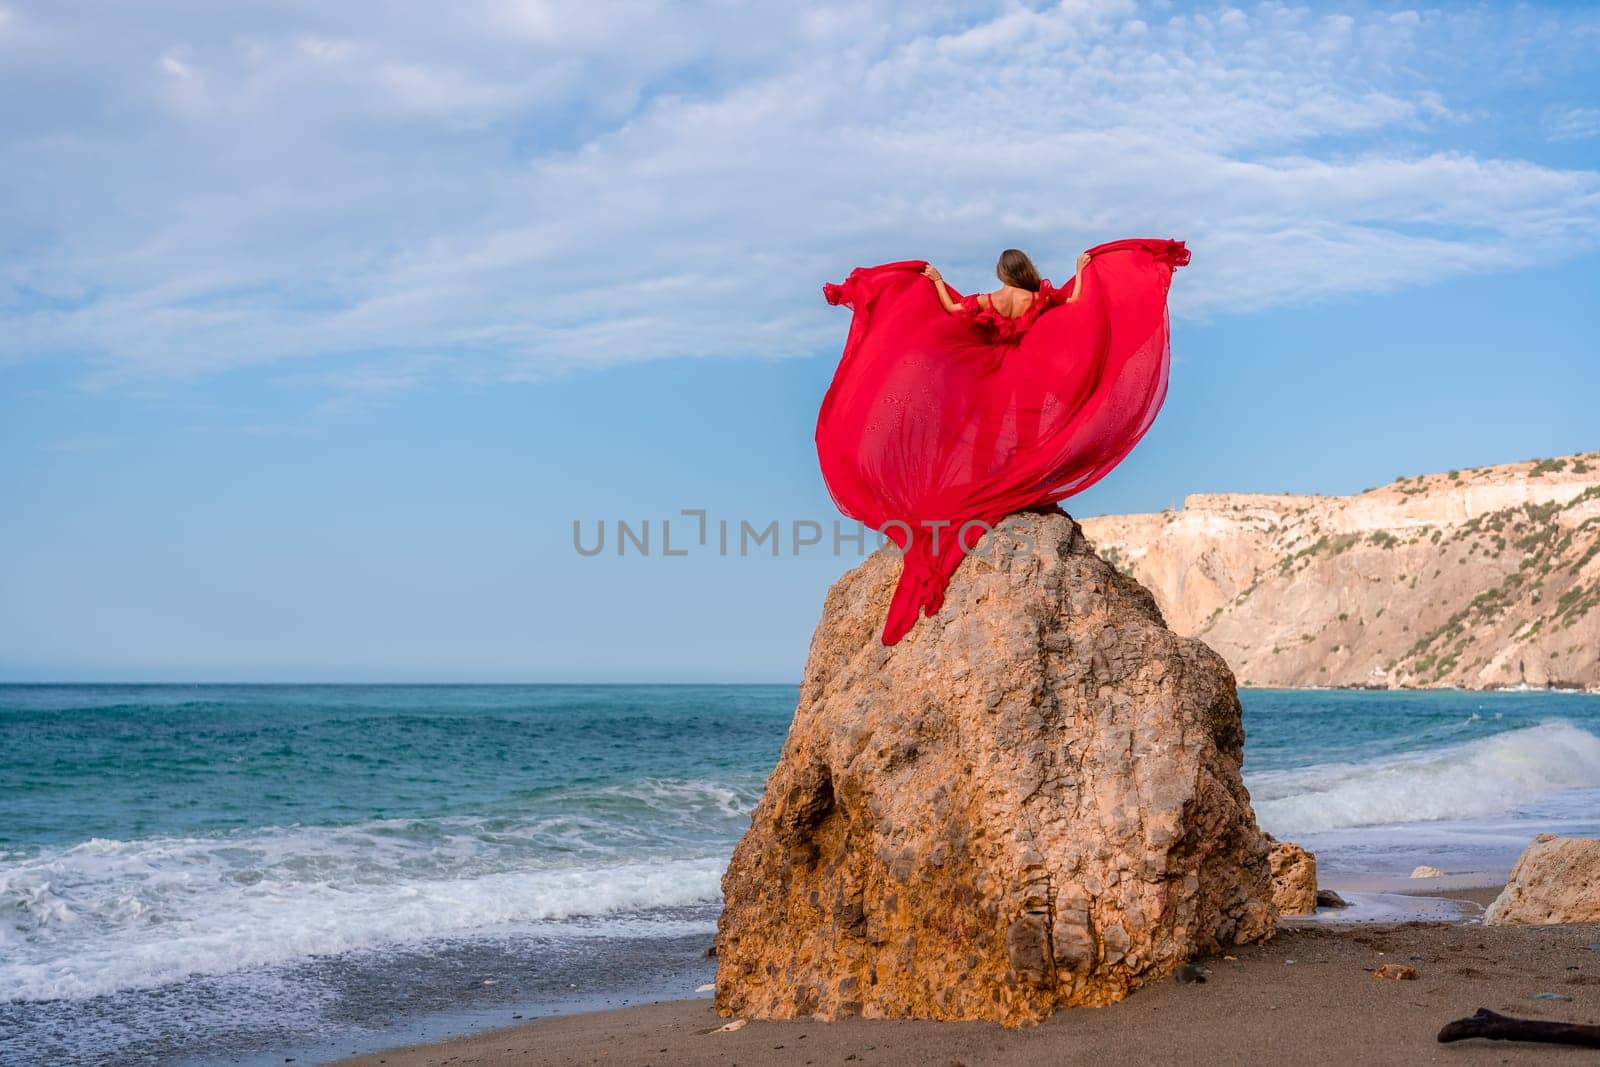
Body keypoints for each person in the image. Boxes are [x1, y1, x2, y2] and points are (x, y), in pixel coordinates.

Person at [818, 238, 1189, 645]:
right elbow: (1077, 302)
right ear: (1025, 270)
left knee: (986, 431)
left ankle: (988, 479)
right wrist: (1083, 270)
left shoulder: (989, 300)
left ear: (1003, 274)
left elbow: (952, 311)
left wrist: (937, 282)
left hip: (992, 374)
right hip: (1028, 375)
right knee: (1026, 434)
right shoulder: (1039, 298)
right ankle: (1020, 479)